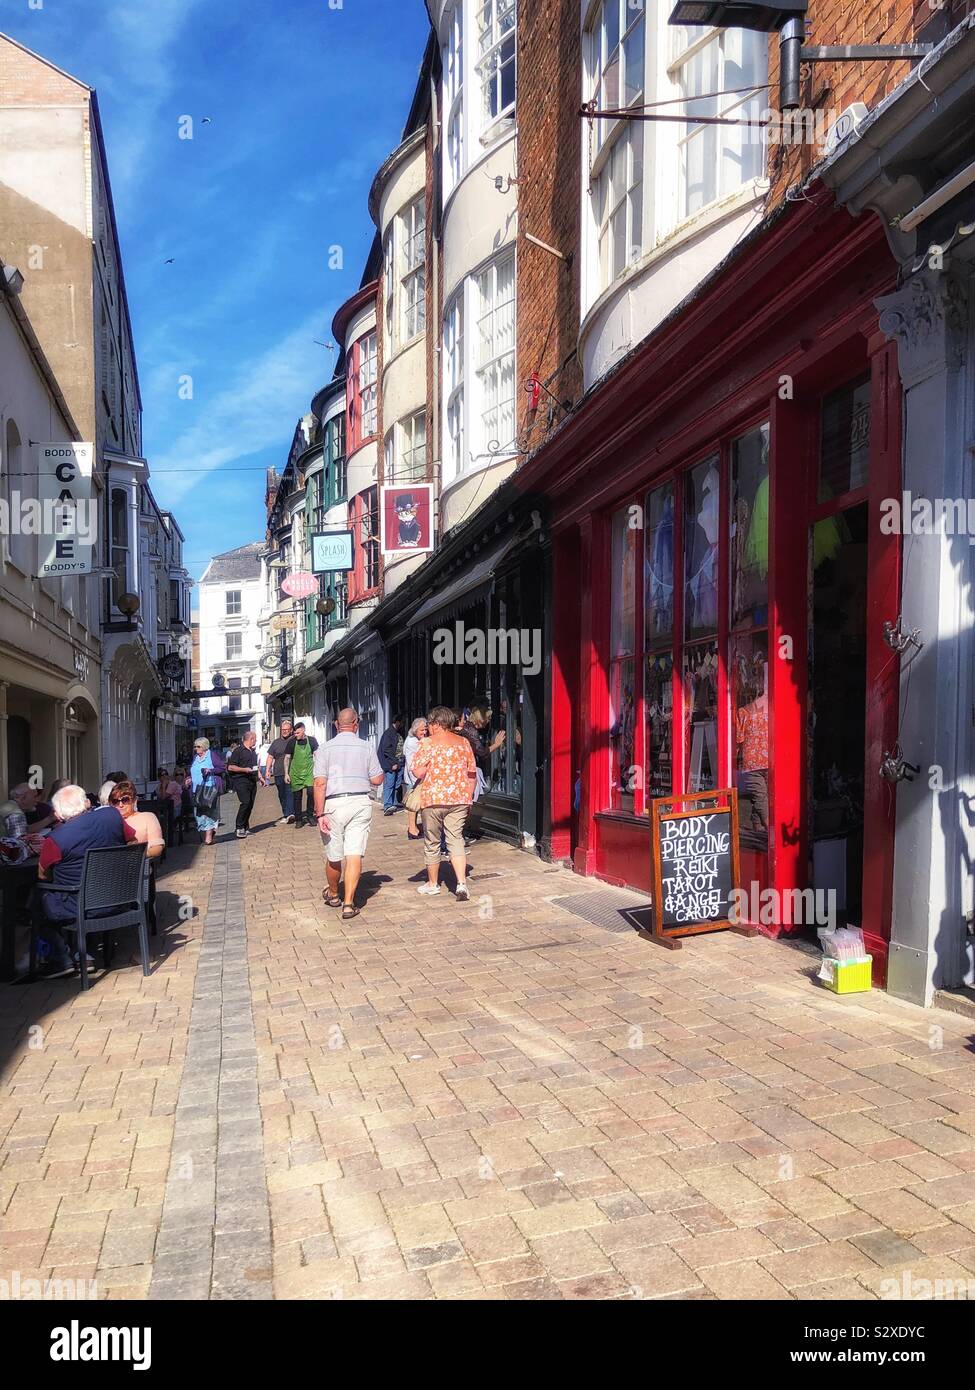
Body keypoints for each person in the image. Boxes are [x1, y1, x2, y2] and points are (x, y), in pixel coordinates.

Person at [34, 784, 138, 978]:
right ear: (88, 802)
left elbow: (42, 875)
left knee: (38, 899)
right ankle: (84, 955)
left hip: (80, 906)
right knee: (77, 892)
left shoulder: (55, 839)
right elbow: (132, 841)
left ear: (58, 815)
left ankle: (61, 959)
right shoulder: (112, 816)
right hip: (121, 897)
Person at [312, 708, 384, 921]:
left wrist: (319, 814)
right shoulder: (366, 747)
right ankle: (349, 904)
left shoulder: (324, 749)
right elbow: (378, 779)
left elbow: (319, 783)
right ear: (356, 724)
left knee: (334, 855)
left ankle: (334, 894)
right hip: (360, 801)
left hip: (333, 804)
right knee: (354, 854)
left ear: (336, 725)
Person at [409, 706, 477, 902]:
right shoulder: (463, 743)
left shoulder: (427, 743)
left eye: (430, 723)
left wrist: (431, 766)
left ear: (437, 723)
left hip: (433, 799)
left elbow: (418, 772)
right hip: (459, 798)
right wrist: (468, 796)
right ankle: (462, 883)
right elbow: (471, 773)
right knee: (456, 839)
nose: (428, 727)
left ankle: (433, 884)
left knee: (432, 842)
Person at [284, 722, 319, 827]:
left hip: (309, 772)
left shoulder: (312, 741)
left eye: (298, 733)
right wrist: (286, 773)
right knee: (297, 797)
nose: (296, 735)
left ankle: (310, 815)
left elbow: (317, 756)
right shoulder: (291, 742)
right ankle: (299, 819)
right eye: (294, 733)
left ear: (303, 731)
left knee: (311, 792)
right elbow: (287, 758)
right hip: (295, 773)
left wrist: (318, 771)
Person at [190, 738, 224, 846]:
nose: (196, 749)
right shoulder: (195, 757)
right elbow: (193, 772)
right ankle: (208, 834)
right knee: (198, 814)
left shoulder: (212, 755)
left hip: (209, 788)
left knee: (209, 812)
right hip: (196, 789)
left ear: (204, 746)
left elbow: (222, 767)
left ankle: (208, 838)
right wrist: (189, 779)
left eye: (198, 747)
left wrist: (210, 770)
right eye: (195, 746)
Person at [227, 731, 260, 837]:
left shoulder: (253, 751)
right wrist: (244, 770)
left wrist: (260, 777)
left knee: (250, 804)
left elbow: (255, 767)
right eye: (255, 739)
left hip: (252, 780)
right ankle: (239, 827)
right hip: (241, 780)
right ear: (251, 739)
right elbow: (230, 767)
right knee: (245, 802)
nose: (255, 741)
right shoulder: (238, 751)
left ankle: (246, 828)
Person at [402, 716, 428, 840]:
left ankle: (414, 829)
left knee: (416, 804)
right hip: (415, 778)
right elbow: (411, 762)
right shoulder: (412, 742)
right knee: (413, 804)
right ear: (415, 729)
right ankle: (412, 829)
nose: (424, 732)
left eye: (425, 730)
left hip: (416, 777)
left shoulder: (414, 740)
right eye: (422, 730)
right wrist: (416, 780)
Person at [265, 720, 295, 825]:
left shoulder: (294, 740)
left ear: (291, 730)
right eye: (283, 730)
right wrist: (267, 770)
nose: (285, 731)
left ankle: (291, 814)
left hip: (291, 772)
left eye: (287, 730)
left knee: (290, 793)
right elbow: (270, 757)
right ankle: (286, 814)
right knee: (282, 794)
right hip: (278, 772)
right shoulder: (276, 742)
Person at [377, 713, 407, 816]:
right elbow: (386, 750)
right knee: (389, 784)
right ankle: (387, 805)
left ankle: (393, 803)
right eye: (402, 722)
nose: (403, 725)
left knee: (397, 784)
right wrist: (393, 763)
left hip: (400, 762)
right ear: (397, 722)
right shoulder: (389, 733)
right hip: (392, 763)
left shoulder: (398, 733)